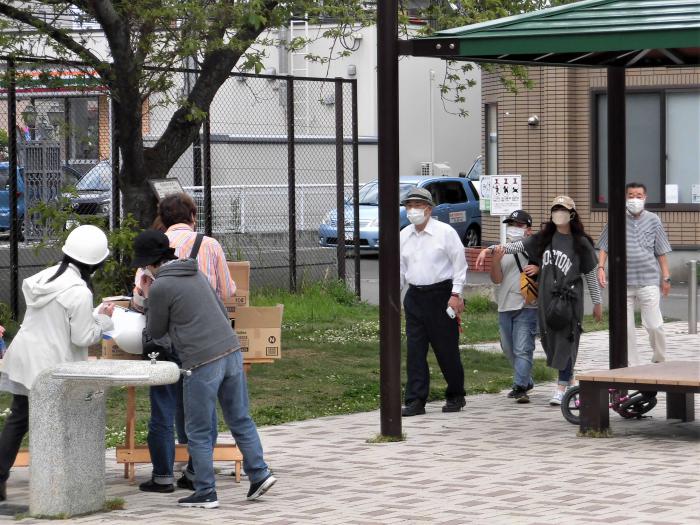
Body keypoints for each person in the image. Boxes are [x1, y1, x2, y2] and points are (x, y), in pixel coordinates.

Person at [132, 230, 275, 508]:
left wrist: (148, 299)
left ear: (150, 263)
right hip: (231, 350)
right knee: (240, 418)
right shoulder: (195, 273)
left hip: (201, 360)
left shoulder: (161, 286)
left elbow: (156, 331)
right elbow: (221, 311)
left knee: (196, 429)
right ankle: (259, 474)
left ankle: (205, 491)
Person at [0, 225, 114, 502]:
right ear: (94, 262)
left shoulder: (44, 277)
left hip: (26, 357)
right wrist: (106, 319)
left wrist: (92, 314)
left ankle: (1, 477)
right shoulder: (79, 292)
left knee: (19, 418)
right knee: (59, 419)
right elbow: (83, 335)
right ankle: (60, 480)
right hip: (51, 364)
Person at [134, 193, 236, 494]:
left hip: (162, 340)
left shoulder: (153, 245)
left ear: (162, 217)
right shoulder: (210, 245)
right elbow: (227, 291)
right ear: (193, 214)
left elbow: (141, 296)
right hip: (201, 339)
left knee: (163, 404)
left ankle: (163, 474)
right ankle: (195, 471)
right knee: (202, 406)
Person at [476, 196, 603, 406]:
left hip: (569, 300)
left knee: (566, 341)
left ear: (572, 214)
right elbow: (514, 247)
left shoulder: (581, 242)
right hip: (546, 300)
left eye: (562, 209)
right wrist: (489, 250)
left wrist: (597, 303)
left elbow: (590, 273)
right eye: (555, 209)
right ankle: (569, 382)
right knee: (551, 343)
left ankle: (561, 387)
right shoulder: (545, 238)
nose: (558, 213)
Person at [399, 187, 468, 417]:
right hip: (415, 296)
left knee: (446, 349)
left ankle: (456, 394)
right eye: (409, 206)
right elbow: (400, 269)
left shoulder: (445, 232)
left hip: (441, 294)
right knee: (415, 350)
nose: (412, 211)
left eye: (417, 206)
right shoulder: (404, 235)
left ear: (428, 209)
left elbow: (459, 265)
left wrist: (456, 294)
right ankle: (416, 399)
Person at [597, 182, 672, 366]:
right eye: (631, 195)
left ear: (645, 198)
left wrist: (666, 277)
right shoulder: (616, 219)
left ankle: (659, 360)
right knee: (626, 328)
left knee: (655, 325)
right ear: (625, 197)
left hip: (648, 280)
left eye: (638, 195)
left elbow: (660, 250)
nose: (634, 199)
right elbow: (604, 246)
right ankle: (632, 365)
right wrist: (601, 267)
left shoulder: (654, 220)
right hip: (622, 283)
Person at [490, 210, 539, 404]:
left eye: (519, 225)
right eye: (511, 224)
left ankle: (519, 387)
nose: (514, 228)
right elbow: (496, 279)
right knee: (508, 348)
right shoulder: (503, 250)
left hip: (527, 304)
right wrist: (494, 260)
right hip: (504, 305)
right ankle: (526, 380)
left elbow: (548, 265)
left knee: (522, 348)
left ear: (528, 230)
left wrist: (539, 268)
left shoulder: (534, 247)